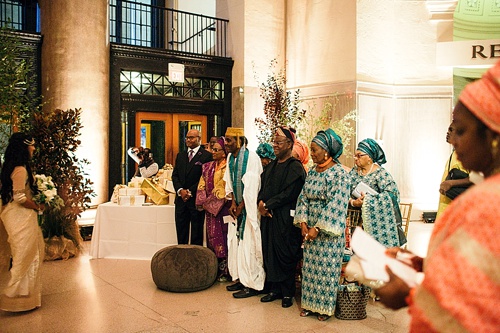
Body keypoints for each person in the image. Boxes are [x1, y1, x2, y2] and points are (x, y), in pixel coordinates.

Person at [375, 61, 500, 333]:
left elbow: (464, 313)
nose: (454, 141)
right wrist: (419, 265)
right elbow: (470, 276)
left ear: (492, 135)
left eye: (462, 131)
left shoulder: (487, 205)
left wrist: (409, 287)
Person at [293, 128, 350, 321]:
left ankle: (324, 309)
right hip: (309, 230)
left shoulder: (339, 174)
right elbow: (303, 198)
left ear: (327, 151)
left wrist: (317, 228)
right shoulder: (313, 172)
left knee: (326, 271)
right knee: (310, 269)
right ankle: (309, 305)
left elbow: (337, 204)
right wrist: (303, 222)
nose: (313, 153)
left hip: (328, 233)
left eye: (315, 149)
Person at [258, 127, 306, 308]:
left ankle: (287, 292)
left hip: (286, 219)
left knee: (285, 253)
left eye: (279, 142)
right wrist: (261, 203)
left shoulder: (295, 167)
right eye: (274, 142)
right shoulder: (270, 166)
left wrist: (268, 204)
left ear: (290, 145)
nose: (275, 146)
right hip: (269, 217)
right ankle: (274, 289)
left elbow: (290, 193)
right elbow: (262, 189)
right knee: (270, 251)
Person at [0, 133, 45, 312]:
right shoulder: (20, 169)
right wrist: (37, 206)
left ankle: (26, 294)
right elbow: (19, 197)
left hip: (14, 213)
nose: (33, 149)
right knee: (25, 253)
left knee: (29, 251)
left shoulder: (10, 167)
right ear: (24, 148)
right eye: (32, 146)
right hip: (20, 215)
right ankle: (15, 295)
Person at [222, 127, 265, 298]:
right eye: (225, 139)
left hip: (250, 210)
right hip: (238, 208)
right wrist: (233, 202)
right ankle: (241, 278)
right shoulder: (230, 158)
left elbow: (252, 188)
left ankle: (252, 284)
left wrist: (241, 208)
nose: (226, 144)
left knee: (249, 245)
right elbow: (229, 182)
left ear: (239, 140)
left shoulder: (251, 158)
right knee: (238, 245)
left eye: (229, 140)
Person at [348, 138, 406, 248]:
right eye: (355, 155)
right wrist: (353, 202)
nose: (355, 158)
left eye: (359, 155)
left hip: (376, 225)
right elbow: (344, 191)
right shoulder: (353, 173)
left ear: (369, 157)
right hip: (355, 221)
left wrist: (368, 200)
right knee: (358, 255)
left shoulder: (381, 174)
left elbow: (393, 196)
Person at [196, 137, 231, 281]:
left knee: (224, 236)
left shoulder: (229, 166)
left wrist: (211, 204)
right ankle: (214, 268)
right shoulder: (207, 166)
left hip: (224, 209)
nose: (213, 152)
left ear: (224, 152)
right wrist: (201, 201)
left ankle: (226, 270)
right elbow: (201, 185)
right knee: (211, 236)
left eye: (216, 150)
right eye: (212, 149)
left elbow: (224, 189)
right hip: (210, 210)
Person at [172, 129, 212, 245]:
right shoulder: (181, 155)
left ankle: (195, 260)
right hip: (181, 200)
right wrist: (180, 191)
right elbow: (175, 175)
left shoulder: (206, 156)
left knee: (196, 233)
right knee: (181, 232)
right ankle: (182, 257)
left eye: (192, 137)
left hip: (196, 199)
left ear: (199, 139)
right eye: (187, 137)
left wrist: (189, 192)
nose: (188, 140)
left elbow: (204, 178)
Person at [436, 123, 471, 219]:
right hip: (447, 212)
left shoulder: (468, 153)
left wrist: (451, 183)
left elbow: (478, 178)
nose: (448, 132)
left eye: (451, 130)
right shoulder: (455, 153)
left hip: (459, 214)